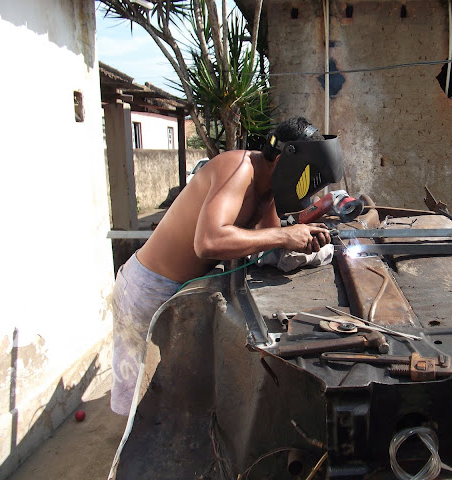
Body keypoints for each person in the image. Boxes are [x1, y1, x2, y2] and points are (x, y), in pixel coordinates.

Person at [111, 117, 338, 416]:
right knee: (141, 405)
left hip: (180, 292)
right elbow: (207, 241)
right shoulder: (238, 168)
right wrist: (284, 235)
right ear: (284, 161)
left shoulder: (266, 189)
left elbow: (267, 243)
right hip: (148, 289)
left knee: (171, 396)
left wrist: (305, 242)